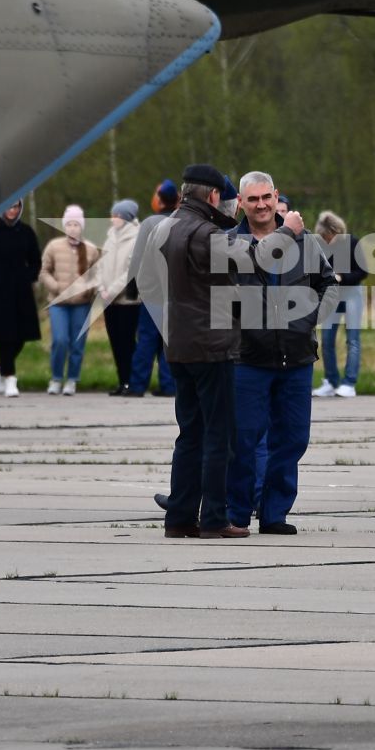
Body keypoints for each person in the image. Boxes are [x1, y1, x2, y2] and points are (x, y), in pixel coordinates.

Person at [226, 172, 329, 534]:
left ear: (276, 195)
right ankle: (236, 514)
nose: (261, 204)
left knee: (293, 438)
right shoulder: (229, 244)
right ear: (241, 202)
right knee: (243, 439)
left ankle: (274, 514)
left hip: (296, 358)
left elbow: (326, 284)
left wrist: (306, 320)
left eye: (266, 197)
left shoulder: (307, 243)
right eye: (252, 199)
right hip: (247, 359)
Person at [158, 164, 246, 539]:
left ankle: (179, 516)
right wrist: (288, 236)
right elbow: (249, 262)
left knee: (189, 434)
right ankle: (213, 518)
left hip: (179, 344)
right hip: (210, 347)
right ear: (211, 195)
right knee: (218, 436)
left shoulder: (171, 227)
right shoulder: (205, 232)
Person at [0, 201, 42, 396]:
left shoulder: (26, 232)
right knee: (5, 336)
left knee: (21, 335)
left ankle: (0, 369)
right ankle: (11, 378)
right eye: (9, 206)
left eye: (16, 207)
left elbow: (36, 260)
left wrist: (28, 277)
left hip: (21, 292)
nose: (12, 211)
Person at [122, 179, 177, 397]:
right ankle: (169, 385)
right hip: (175, 293)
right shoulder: (182, 220)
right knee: (168, 340)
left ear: (160, 199)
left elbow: (137, 257)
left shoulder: (150, 222)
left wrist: (131, 286)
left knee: (146, 340)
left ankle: (137, 385)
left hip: (152, 292)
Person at [38, 204, 97, 395]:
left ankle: (72, 379)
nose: (73, 228)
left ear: (82, 227)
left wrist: (92, 288)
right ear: (64, 226)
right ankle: (56, 378)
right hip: (59, 304)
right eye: (69, 224)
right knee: (60, 340)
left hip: (82, 304)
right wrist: (55, 287)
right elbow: (44, 271)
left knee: (77, 344)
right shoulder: (54, 246)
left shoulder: (91, 249)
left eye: (76, 225)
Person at [87, 199, 143, 395]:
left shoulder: (137, 238)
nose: (113, 219)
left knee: (128, 342)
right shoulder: (110, 236)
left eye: (117, 215)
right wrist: (101, 287)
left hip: (127, 300)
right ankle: (122, 381)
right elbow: (101, 265)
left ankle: (131, 381)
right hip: (107, 299)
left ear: (126, 218)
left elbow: (130, 271)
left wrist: (111, 291)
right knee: (115, 342)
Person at [312, 211, 367, 399]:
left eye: (328, 237)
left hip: (352, 295)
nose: (327, 241)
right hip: (332, 296)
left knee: (352, 340)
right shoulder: (321, 247)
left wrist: (342, 277)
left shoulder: (353, 243)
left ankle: (349, 383)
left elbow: (363, 271)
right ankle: (331, 381)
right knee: (326, 340)